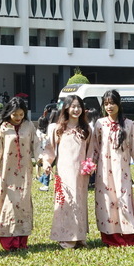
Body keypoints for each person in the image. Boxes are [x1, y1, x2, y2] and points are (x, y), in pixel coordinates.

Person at [93, 90, 134, 247]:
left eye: (112, 103)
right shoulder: (100, 124)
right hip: (103, 172)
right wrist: (90, 164)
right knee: (107, 202)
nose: (109, 106)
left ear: (119, 104)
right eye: (106, 104)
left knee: (123, 201)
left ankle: (130, 238)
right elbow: (95, 148)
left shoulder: (129, 124)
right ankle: (110, 238)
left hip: (122, 171)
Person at [41, 95, 94, 249]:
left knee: (79, 202)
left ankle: (79, 236)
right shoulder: (57, 128)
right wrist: (46, 162)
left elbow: (91, 151)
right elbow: (49, 149)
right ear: (66, 108)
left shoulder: (86, 129)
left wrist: (88, 166)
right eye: (73, 106)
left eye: (79, 106)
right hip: (63, 172)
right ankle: (65, 236)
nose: (76, 109)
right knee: (64, 202)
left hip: (81, 173)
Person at [0, 97, 40, 251]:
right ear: (9, 113)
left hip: (25, 172)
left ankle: (21, 240)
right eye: (15, 115)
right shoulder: (2, 127)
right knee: (8, 203)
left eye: (21, 114)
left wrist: (41, 161)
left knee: (23, 203)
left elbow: (36, 145)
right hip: (6, 172)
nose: (18, 118)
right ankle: (8, 240)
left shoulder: (29, 125)